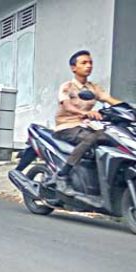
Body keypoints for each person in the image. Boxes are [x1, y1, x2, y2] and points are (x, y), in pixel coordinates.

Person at [52, 50, 121, 196]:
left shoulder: (93, 88)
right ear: (73, 68)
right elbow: (66, 105)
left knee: (113, 138)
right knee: (94, 137)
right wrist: (84, 113)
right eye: (84, 63)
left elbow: (110, 99)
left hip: (85, 126)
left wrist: (128, 109)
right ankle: (63, 175)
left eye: (90, 63)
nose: (88, 66)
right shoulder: (67, 87)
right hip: (67, 126)